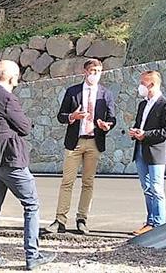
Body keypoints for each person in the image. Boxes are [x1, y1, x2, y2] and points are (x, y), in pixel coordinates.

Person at [0, 60, 56, 270]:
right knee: (31, 205)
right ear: (12, 77)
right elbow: (24, 127)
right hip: (11, 160)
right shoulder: (7, 98)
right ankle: (32, 255)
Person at [45, 58, 116, 235]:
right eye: (92, 71)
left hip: (94, 141)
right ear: (85, 72)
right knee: (67, 181)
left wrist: (107, 125)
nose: (95, 75)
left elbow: (112, 118)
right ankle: (60, 219)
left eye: (98, 71)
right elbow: (61, 116)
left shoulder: (106, 94)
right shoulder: (73, 91)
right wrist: (72, 117)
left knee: (88, 182)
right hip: (74, 142)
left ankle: (82, 219)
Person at [128, 70, 166, 236]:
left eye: (143, 83)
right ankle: (150, 221)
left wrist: (146, 135)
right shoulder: (143, 104)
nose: (140, 86)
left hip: (156, 153)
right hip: (141, 150)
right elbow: (140, 124)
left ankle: (159, 224)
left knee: (156, 188)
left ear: (153, 84)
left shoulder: (165, 104)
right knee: (147, 187)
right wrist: (135, 132)